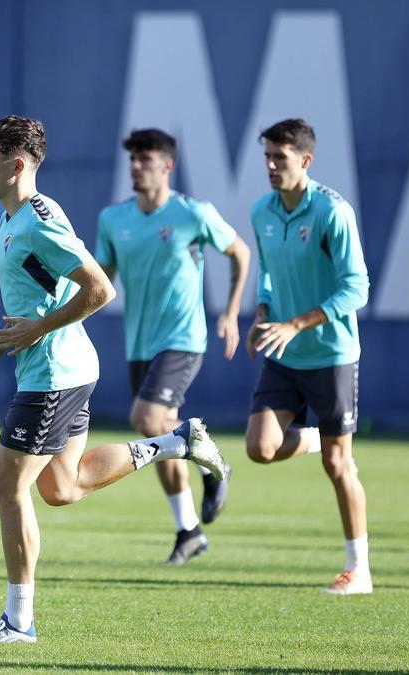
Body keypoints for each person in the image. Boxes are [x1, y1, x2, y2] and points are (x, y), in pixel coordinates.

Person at [0, 116, 228, 645]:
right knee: (63, 486)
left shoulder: (38, 219)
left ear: (15, 166)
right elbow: (45, 296)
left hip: (55, 374)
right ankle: (178, 441)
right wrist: (10, 339)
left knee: (8, 487)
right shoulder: (11, 218)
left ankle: (18, 622)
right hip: (60, 367)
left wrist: (38, 329)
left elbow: (99, 290)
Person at [95, 128, 250, 565]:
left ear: (168, 166)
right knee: (161, 431)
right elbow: (102, 279)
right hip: (139, 343)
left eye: (145, 159)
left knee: (145, 418)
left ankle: (205, 462)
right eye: (132, 159)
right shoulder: (113, 219)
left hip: (183, 338)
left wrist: (230, 310)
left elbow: (240, 252)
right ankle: (189, 529)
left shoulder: (192, 214)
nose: (136, 166)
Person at [244, 118, 372, 595]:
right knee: (259, 448)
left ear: (306, 161)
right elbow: (268, 272)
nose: (272, 167)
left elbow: (357, 286)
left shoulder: (332, 213)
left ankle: (358, 569)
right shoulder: (262, 211)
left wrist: (297, 322)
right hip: (284, 352)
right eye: (268, 158)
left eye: (281, 158)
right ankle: (320, 437)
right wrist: (262, 310)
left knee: (339, 466)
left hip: (332, 353)